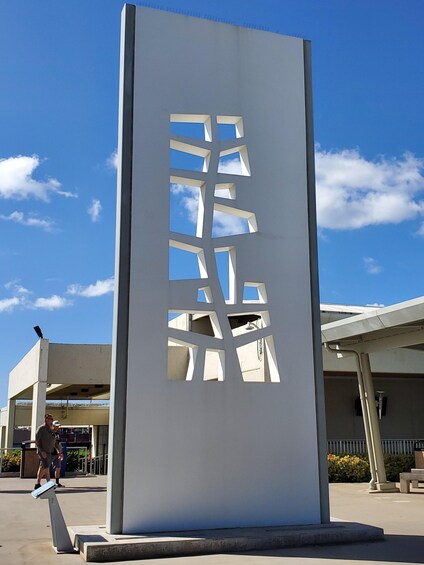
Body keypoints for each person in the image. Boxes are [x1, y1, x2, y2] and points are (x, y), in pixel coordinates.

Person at [34, 413, 62, 489]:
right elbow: (37, 441)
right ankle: (47, 483)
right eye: (50, 419)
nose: (51, 420)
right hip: (43, 451)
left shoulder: (51, 429)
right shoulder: (41, 429)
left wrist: (59, 452)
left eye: (52, 419)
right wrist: (41, 451)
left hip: (49, 451)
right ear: (46, 419)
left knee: (44, 467)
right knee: (45, 467)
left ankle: (39, 484)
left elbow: (55, 442)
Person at [51, 420, 65, 487]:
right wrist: (58, 451)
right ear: (53, 426)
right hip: (50, 452)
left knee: (58, 467)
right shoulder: (50, 433)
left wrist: (61, 452)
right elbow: (53, 444)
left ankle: (57, 482)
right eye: (56, 426)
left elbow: (59, 443)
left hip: (57, 453)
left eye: (58, 426)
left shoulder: (58, 434)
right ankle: (39, 482)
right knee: (45, 467)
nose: (57, 427)